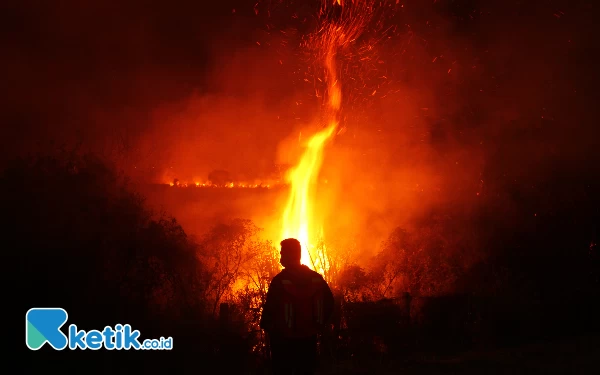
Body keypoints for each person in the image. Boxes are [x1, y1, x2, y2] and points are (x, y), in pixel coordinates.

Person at [260, 238, 335, 375]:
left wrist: (268, 327)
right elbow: (330, 303)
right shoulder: (316, 279)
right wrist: (318, 325)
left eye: (282, 253)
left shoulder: (279, 281)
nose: (280, 257)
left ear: (289, 255)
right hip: (309, 339)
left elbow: (269, 312)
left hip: (284, 342)